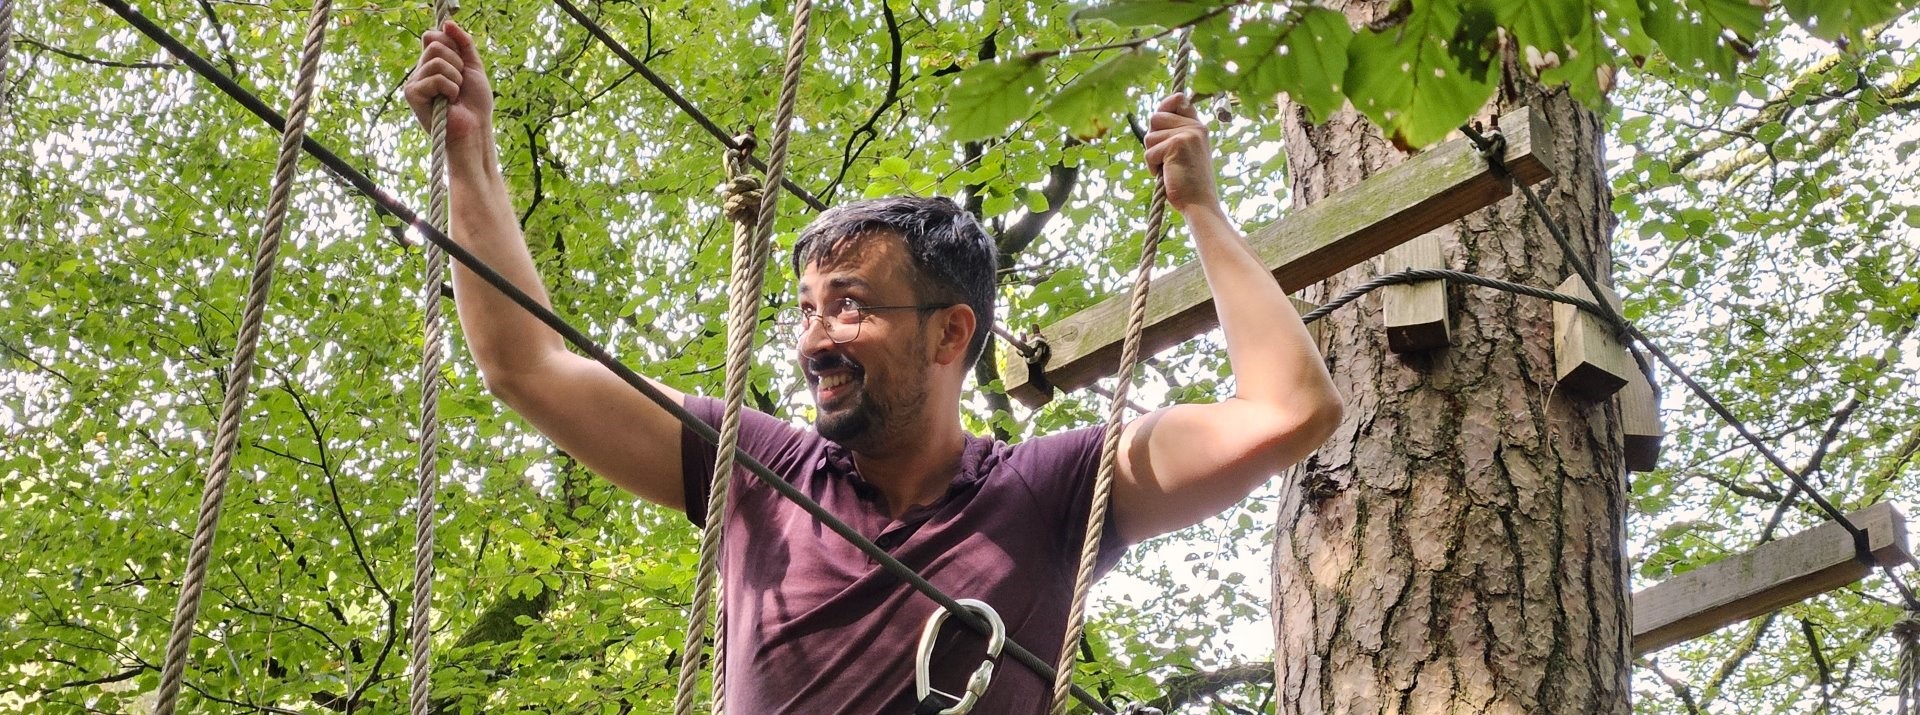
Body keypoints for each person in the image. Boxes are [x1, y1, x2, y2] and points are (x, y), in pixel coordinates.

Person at [404, 20, 1342, 714]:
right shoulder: (755, 469)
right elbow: (527, 365)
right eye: (806, 308)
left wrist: (1203, 212)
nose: (814, 339)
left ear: (949, 334)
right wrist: (469, 153)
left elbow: (1288, 409)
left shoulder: (1052, 492)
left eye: (849, 305)